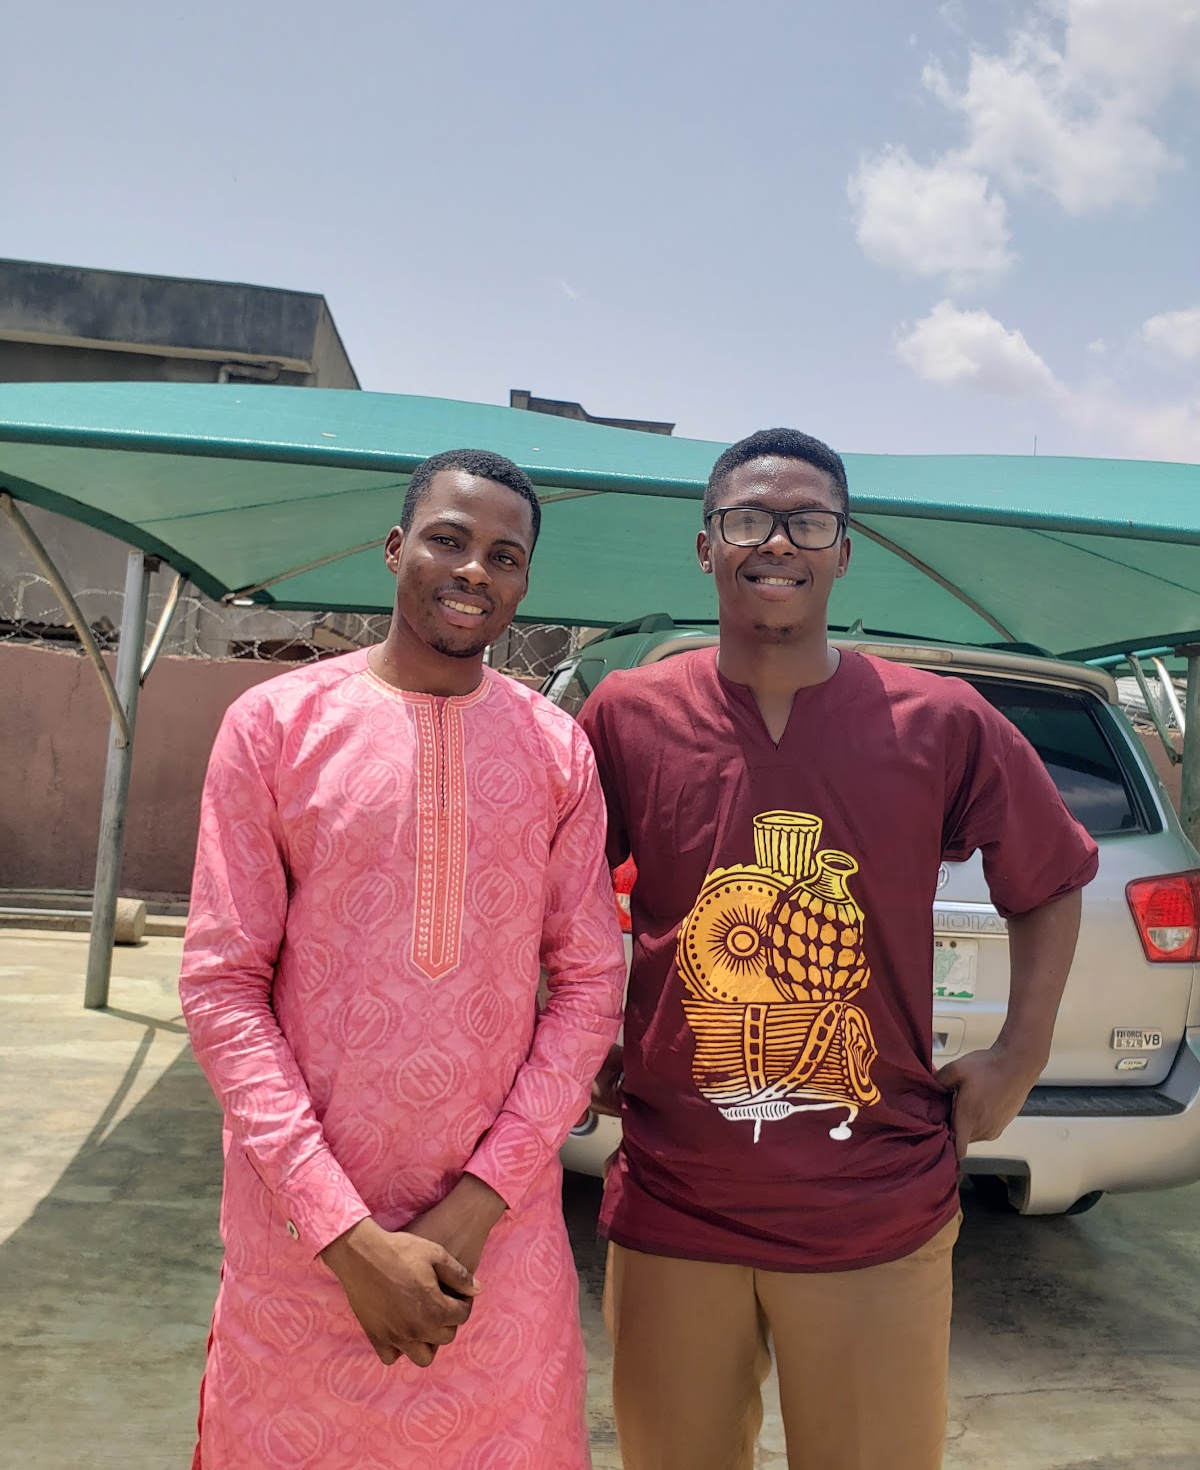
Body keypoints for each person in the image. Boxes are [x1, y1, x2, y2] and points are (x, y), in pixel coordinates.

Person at [579, 427, 1097, 1470]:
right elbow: (554, 888)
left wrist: (1021, 1054)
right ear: (706, 545)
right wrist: (579, 1028)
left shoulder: (939, 720)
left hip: (877, 1204)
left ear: (844, 550)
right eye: (748, 519)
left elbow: (1048, 878)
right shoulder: (629, 715)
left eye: (808, 521)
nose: (777, 541)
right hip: (676, 1197)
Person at [180, 447, 625, 1470]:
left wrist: (478, 1206)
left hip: (494, 1253)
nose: (474, 571)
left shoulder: (556, 751)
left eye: (504, 555)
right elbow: (222, 984)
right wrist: (345, 1235)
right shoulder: (276, 728)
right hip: (300, 1250)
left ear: (524, 582)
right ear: (395, 549)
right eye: (448, 540)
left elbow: (591, 984)